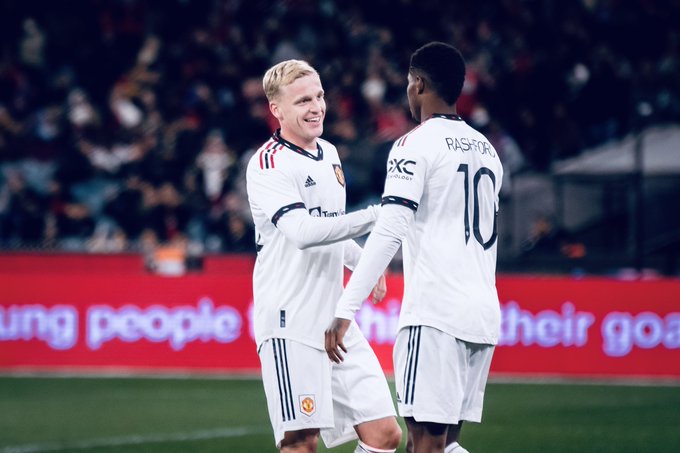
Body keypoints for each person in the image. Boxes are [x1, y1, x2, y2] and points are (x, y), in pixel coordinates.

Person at [325, 42, 504, 453]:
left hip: (436, 314)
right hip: (481, 315)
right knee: (443, 443)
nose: (407, 92)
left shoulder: (414, 145)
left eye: (409, 83)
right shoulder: (487, 152)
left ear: (419, 84)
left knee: (424, 444)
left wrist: (345, 310)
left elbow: (389, 232)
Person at [246, 59, 402, 453]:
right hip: (289, 320)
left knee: (385, 433)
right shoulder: (268, 165)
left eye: (319, 96)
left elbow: (328, 224)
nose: (316, 107)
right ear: (276, 109)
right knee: (301, 442)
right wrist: (375, 216)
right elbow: (301, 232)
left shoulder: (329, 152)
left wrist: (361, 261)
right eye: (302, 101)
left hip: (333, 320)